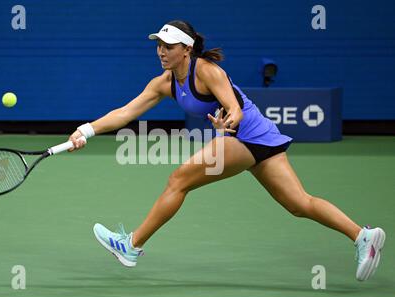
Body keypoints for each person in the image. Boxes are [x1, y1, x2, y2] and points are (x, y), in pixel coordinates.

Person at [68, 20, 385, 281]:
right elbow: (126, 112)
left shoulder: (207, 71)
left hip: (246, 136)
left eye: (169, 46)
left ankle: (132, 246)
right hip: (261, 139)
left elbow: (234, 107)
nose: (161, 52)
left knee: (179, 180)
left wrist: (227, 124)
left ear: (186, 49)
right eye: (159, 45)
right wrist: (86, 130)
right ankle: (363, 236)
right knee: (299, 204)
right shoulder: (164, 83)